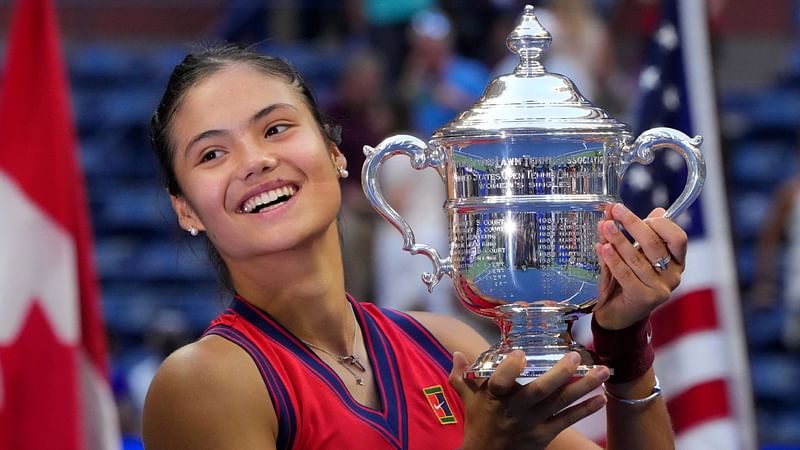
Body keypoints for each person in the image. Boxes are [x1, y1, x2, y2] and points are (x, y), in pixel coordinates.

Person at [142, 44, 685, 449]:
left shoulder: (443, 344)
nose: (255, 160)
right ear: (185, 207)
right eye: (211, 155)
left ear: (335, 153)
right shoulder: (202, 383)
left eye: (277, 128)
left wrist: (625, 345)